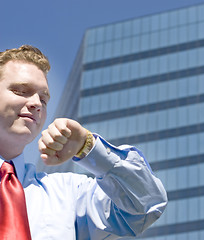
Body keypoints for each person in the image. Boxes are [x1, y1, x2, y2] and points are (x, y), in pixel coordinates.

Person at [0, 45, 167, 239]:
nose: (37, 103)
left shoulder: (69, 195)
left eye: (44, 99)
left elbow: (146, 205)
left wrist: (87, 146)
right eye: (21, 90)